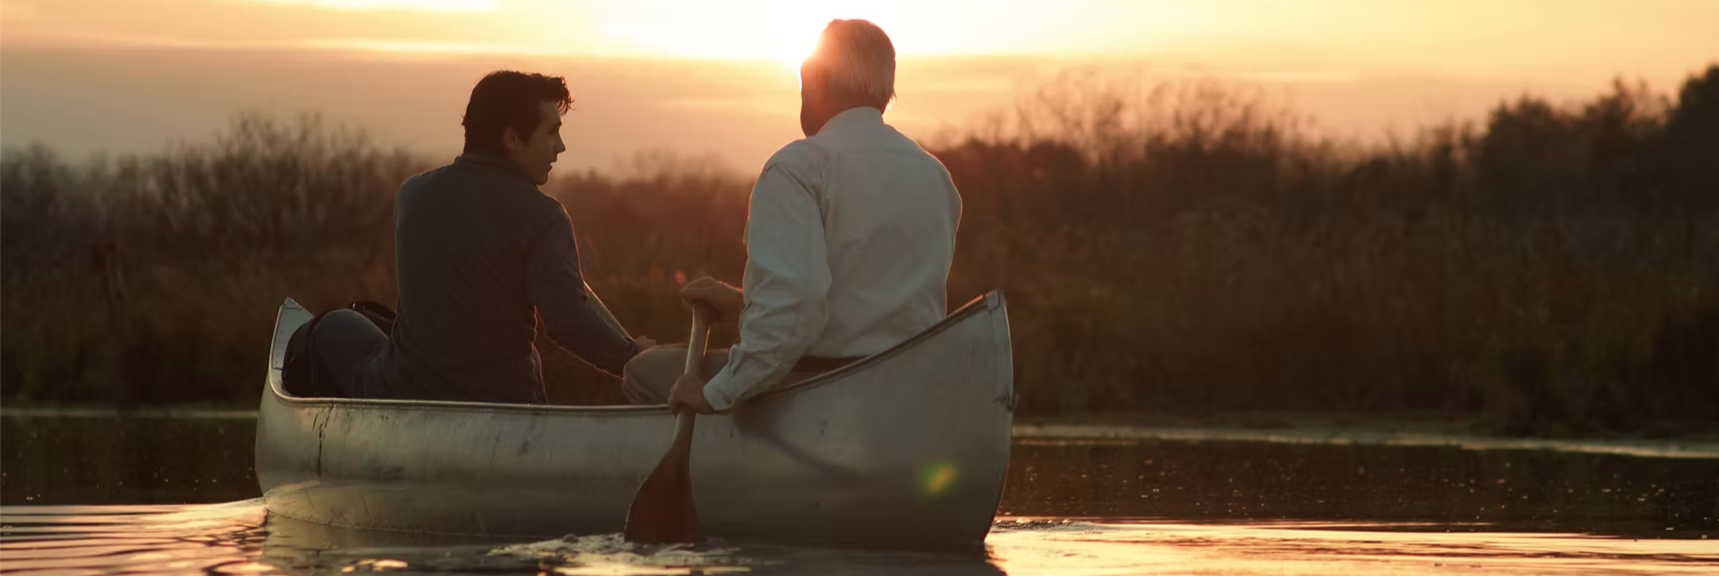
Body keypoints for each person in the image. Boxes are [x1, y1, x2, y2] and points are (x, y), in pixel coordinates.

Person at [621, 19, 962, 413]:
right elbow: (862, 300)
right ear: (885, 93)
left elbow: (794, 314)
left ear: (814, 81)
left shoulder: (796, 167)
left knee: (643, 370)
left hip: (827, 388)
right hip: (910, 390)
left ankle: (729, 467)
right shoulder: (935, 175)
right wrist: (745, 303)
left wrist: (715, 393)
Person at [307, 70, 654, 404]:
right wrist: (634, 359)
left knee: (332, 326)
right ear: (512, 139)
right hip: (507, 400)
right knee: (528, 357)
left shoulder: (412, 195)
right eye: (551, 132)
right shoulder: (545, 217)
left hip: (406, 391)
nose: (560, 147)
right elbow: (567, 322)